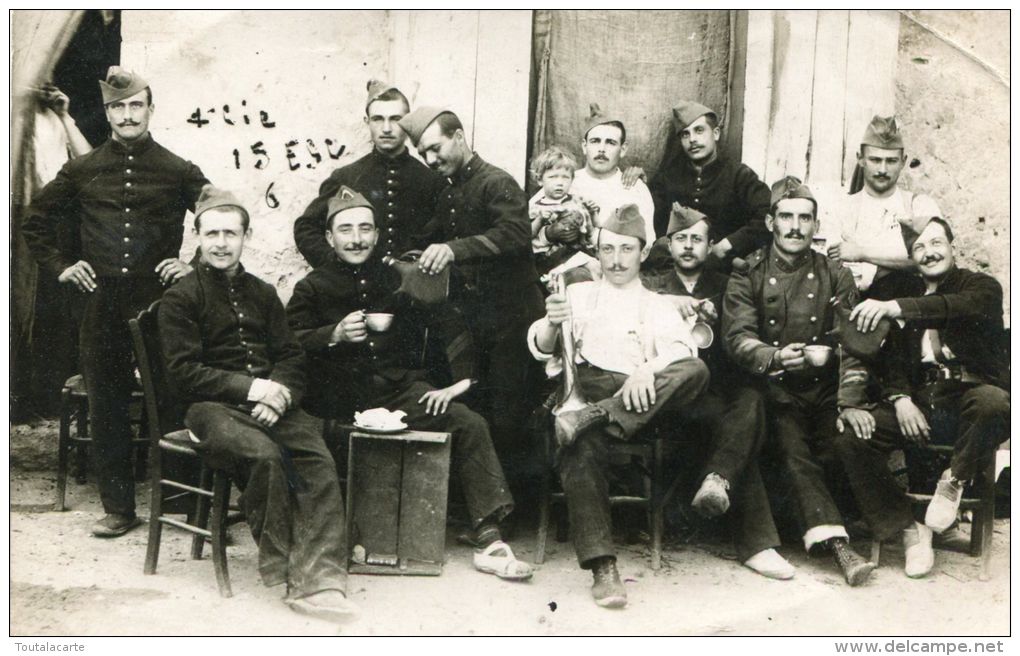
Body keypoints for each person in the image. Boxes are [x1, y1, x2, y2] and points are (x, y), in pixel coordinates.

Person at [286, 186, 533, 580]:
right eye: (346, 230)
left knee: (467, 422)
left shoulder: (397, 278)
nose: (356, 238)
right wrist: (330, 334)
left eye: (365, 228)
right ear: (330, 238)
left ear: (377, 234)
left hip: (400, 394)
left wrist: (460, 383)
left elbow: (448, 324)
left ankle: (488, 533)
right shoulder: (312, 287)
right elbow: (288, 344)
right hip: (338, 400)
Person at [22, 67, 209, 537]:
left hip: (159, 304)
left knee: (169, 397)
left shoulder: (177, 169)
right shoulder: (83, 169)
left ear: (150, 108)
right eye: (118, 107)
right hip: (99, 303)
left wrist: (194, 266)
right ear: (107, 113)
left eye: (135, 105)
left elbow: (222, 215)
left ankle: (182, 503)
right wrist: (63, 265)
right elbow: (35, 223)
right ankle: (120, 509)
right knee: (106, 403)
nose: (127, 115)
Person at [159, 186, 358, 623]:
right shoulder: (181, 297)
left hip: (271, 403)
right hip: (209, 409)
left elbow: (290, 353)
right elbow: (183, 372)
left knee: (316, 459)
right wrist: (255, 390)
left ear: (246, 236)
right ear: (197, 236)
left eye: (231, 233)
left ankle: (322, 580)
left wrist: (280, 393)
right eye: (211, 233)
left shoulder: (264, 293)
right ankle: (289, 575)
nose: (221, 243)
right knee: (265, 457)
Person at [722, 177, 917, 585]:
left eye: (804, 219)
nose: (795, 227)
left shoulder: (835, 274)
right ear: (771, 220)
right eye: (787, 217)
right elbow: (737, 336)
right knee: (792, 445)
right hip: (774, 387)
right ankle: (839, 547)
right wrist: (774, 355)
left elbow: (854, 345)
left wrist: (849, 402)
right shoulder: (748, 273)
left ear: (815, 225)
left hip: (826, 389)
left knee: (850, 438)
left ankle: (908, 531)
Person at [528, 204, 709, 608]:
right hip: (583, 389)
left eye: (627, 250)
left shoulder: (658, 303)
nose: (616, 260)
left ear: (643, 253)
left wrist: (648, 369)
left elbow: (683, 351)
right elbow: (541, 350)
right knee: (580, 445)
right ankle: (603, 566)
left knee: (695, 370)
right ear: (597, 251)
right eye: (607, 250)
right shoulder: (577, 293)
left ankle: (595, 417)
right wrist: (551, 323)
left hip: (635, 399)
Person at [844, 217, 1009, 568]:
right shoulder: (904, 292)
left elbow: (954, 305)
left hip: (969, 398)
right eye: (919, 247)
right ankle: (907, 526)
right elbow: (890, 361)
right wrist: (900, 400)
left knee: (994, 402)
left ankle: (954, 481)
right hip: (921, 403)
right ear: (911, 257)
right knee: (850, 437)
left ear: (952, 246)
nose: (929, 253)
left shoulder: (981, 287)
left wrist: (896, 308)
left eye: (936, 243)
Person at [642, 204, 794, 580]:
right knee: (738, 436)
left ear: (711, 246)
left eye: (697, 239)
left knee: (750, 401)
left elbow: (744, 339)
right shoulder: (651, 284)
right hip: (670, 395)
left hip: (719, 392)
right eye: (680, 239)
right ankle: (757, 545)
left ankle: (717, 481)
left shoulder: (729, 285)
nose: (689, 247)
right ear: (668, 244)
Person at [398, 106, 544, 485]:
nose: (430, 160)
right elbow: (432, 235)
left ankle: (513, 510)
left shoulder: (497, 182)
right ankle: (486, 503)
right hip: (475, 320)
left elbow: (515, 234)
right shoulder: (449, 191)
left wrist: (453, 249)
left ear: (459, 136)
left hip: (514, 320)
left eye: (435, 148)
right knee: (477, 407)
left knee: (508, 412)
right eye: (423, 154)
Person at [293, 79, 446, 268]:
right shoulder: (345, 177)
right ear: (367, 122)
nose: (387, 128)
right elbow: (306, 228)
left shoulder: (432, 180)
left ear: (408, 122)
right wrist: (337, 266)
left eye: (396, 119)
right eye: (378, 119)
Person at [646, 100, 771, 270]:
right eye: (685, 134)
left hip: (724, 269)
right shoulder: (668, 178)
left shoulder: (739, 175)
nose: (692, 140)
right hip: (674, 268)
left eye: (699, 131)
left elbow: (768, 216)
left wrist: (728, 244)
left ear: (716, 133)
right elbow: (649, 219)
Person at [828, 115, 942, 299]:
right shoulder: (841, 208)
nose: (882, 169)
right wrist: (900, 259)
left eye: (891, 161)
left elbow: (932, 260)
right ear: (860, 159)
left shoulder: (919, 206)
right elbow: (836, 268)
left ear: (903, 161)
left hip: (910, 306)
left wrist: (861, 253)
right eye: (875, 160)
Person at [568, 104, 656, 252]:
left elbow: (647, 241)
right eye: (595, 141)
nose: (602, 149)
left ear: (622, 149)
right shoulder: (567, 182)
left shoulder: (636, 188)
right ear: (584, 146)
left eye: (610, 142)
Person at [528, 146, 595, 277]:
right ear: (540, 180)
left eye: (565, 177)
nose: (560, 183)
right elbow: (528, 235)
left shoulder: (576, 201)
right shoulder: (537, 207)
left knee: (595, 269)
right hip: (548, 257)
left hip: (576, 250)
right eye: (553, 177)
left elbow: (591, 229)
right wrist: (540, 219)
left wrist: (592, 212)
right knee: (591, 268)